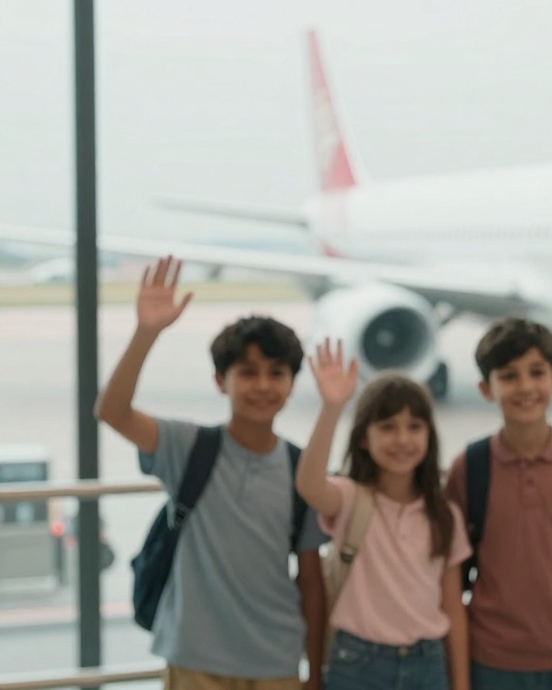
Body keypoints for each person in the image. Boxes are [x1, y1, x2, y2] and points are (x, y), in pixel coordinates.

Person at [95, 256, 326, 690]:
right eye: (247, 372)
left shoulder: (302, 470)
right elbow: (111, 411)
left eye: (277, 374)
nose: (262, 386)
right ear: (221, 381)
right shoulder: (188, 447)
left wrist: (314, 670)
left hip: (274, 659)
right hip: (195, 658)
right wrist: (147, 333)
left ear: (293, 383)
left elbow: (311, 581)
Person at [446, 317, 552, 690]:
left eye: (536, 372)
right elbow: (451, 582)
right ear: (485, 388)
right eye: (508, 376)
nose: (525, 386)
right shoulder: (469, 469)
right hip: (491, 662)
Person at [295, 346, 470, 690]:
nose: (402, 439)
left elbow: (453, 606)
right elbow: (309, 485)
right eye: (387, 427)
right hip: (358, 664)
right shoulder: (349, 498)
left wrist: (461, 684)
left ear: (429, 436)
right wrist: (332, 408)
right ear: (363, 436)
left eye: (415, 426)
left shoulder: (444, 515)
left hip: (428, 663)